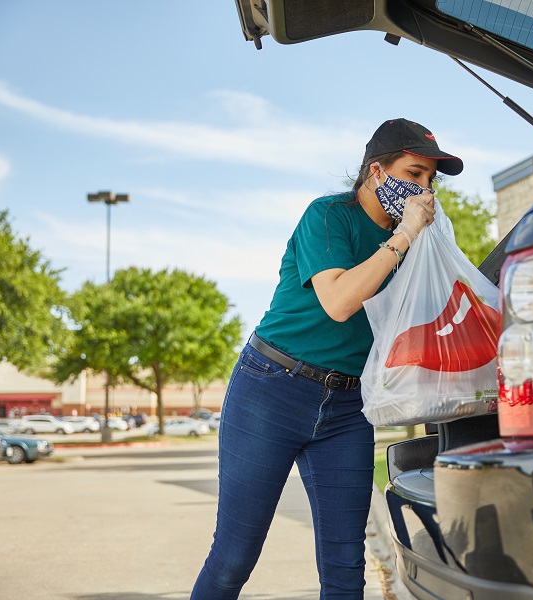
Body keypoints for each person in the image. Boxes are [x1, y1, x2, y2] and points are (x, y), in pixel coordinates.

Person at [191, 118, 464, 599]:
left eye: (430, 179)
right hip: (271, 388)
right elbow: (339, 302)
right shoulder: (328, 216)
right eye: (413, 173)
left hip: (347, 408)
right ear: (377, 171)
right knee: (234, 557)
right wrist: (403, 236)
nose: (424, 189)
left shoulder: (419, 242)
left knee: (344, 568)